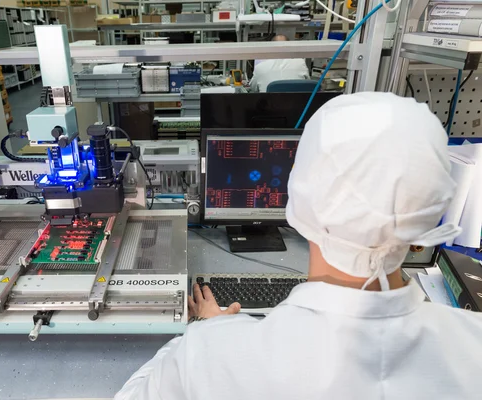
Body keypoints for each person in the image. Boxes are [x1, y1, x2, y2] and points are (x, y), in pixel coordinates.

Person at [114, 92, 482, 399]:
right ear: (431, 202)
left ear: (302, 196)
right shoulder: (473, 343)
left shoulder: (209, 357)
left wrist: (209, 332)